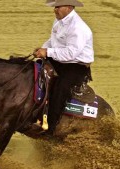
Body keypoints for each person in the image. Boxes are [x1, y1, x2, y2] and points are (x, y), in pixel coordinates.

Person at [34, 0, 94, 135]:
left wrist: (47, 52)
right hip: (61, 60)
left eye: (58, 7)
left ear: (69, 7)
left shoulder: (78, 28)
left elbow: (71, 53)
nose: (55, 10)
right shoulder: (59, 22)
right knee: (34, 69)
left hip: (76, 67)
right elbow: (53, 41)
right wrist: (43, 49)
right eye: (55, 7)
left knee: (60, 89)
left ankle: (50, 129)